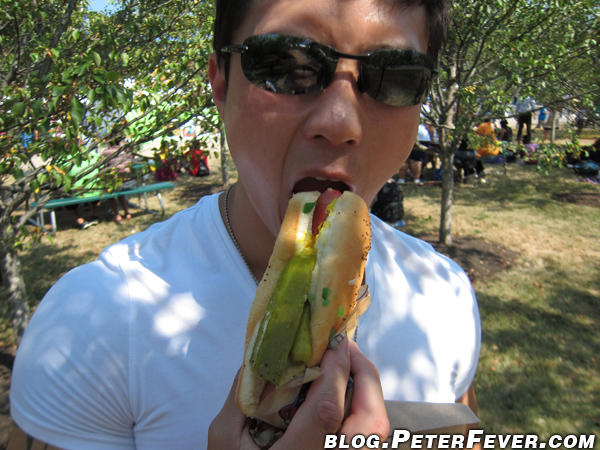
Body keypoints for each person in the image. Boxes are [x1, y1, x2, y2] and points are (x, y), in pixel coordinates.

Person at [10, 0, 481, 449]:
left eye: (396, 76)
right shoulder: (95, 324)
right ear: (220, 82)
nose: (340, 123)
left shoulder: (446, 298)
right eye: (287, 65)